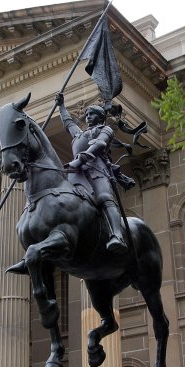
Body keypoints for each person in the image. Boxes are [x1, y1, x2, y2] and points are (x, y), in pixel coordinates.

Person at [56, 92, 128, 254]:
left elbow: (100, 144)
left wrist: (81, 159)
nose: (88, 117)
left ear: (100, 117)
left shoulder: (105, 129)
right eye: (87, 114)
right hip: (77, 173)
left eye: (92, 114)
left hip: (97, 171)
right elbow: (68, 122)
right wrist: (61, 106)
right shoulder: (79, 134)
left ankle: (117, 235)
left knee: (104, 197)